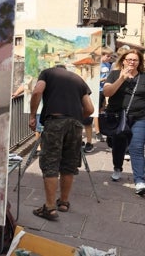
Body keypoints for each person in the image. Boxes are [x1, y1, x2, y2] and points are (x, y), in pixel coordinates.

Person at [29, 65, 94, 220]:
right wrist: (75, 118)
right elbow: (90, 109)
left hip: (55, 121)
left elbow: (37, 91)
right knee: (68, 163)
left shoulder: (47, 73)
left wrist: (32, 115)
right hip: (76, 125)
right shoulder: (78, 80)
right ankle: (64, 202)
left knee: (50, 162)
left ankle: (50, 208)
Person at [103, 49, 145, 191]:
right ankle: (117, 167)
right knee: (118, 146)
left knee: (136, 148)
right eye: (129, 59)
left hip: (139, 117)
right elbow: (107, 92)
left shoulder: (143, 77)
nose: (132, 62)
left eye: (135, 60)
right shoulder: (114, 74)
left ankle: (140, 181)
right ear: (123, 61)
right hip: (118, 117)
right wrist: (121, 78)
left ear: (139, 63)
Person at [94, 47, 114, 143]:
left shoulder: (107, 64)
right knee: (96, 111)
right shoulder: (97, 65)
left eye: (110, 56)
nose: (109, 58)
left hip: (104, 90)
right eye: (108, 56)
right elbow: (93, 78)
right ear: (102, 55)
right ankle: (97, 132)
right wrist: (103, 80)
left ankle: (102, 129)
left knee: (102, 109)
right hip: (97, 90)